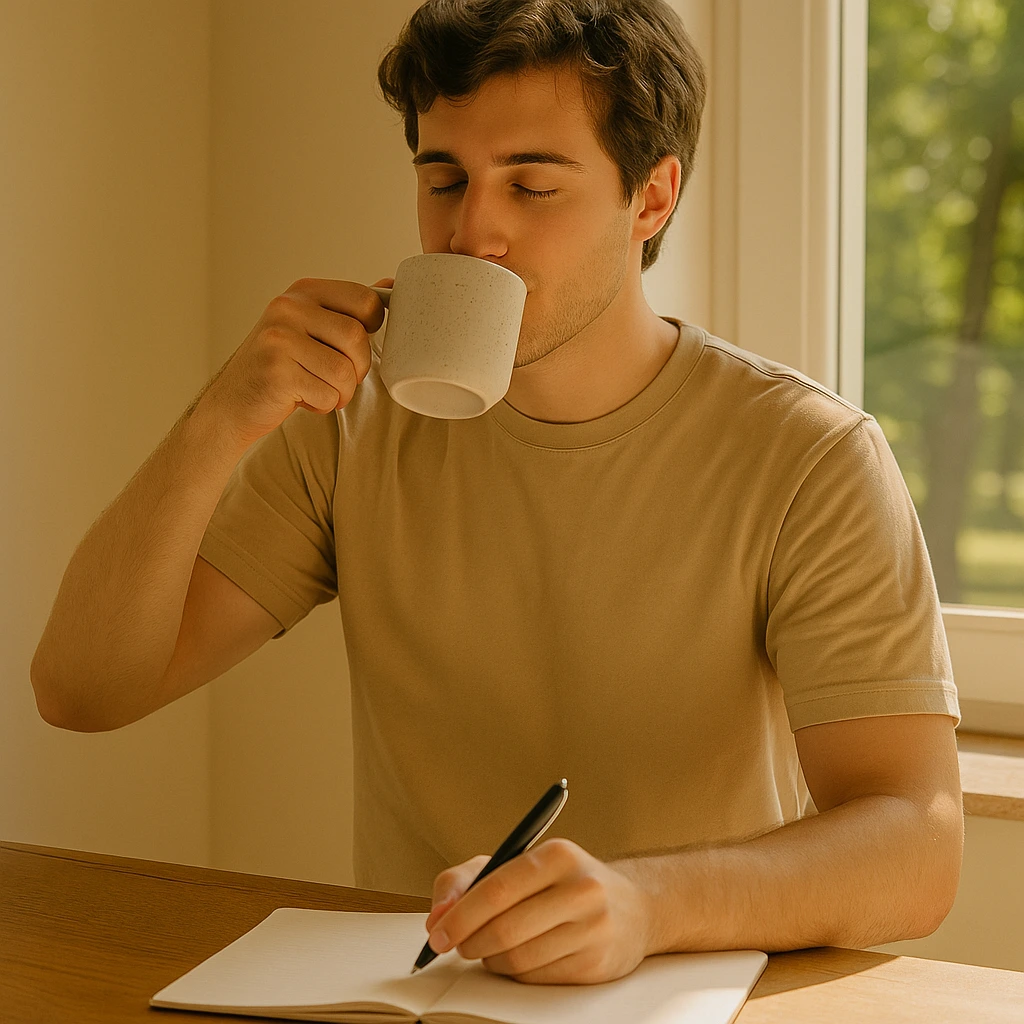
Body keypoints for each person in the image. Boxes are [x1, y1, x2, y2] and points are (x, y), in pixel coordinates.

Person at [32, 0, 963, 987]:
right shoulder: (351, 424)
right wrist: (220, 417)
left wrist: (647, 906)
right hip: (415, 995)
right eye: (444, 179)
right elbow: (83, 691)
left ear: (651, 199)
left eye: (532, 185)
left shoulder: (808, 457)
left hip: (684, 994)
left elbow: (916, 845)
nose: (471, 230)